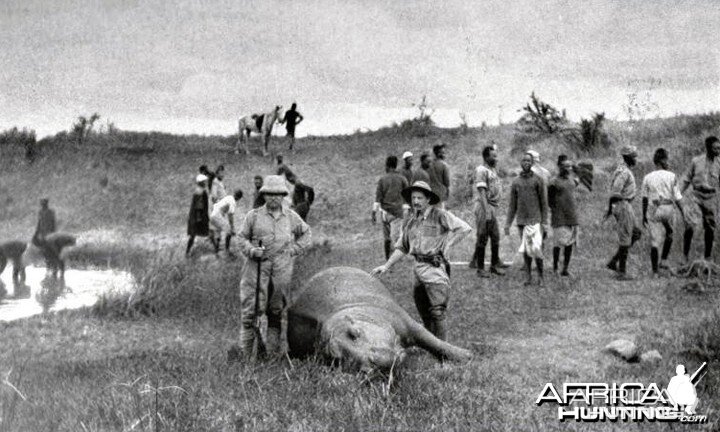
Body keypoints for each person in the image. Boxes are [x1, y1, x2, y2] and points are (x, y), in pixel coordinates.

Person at [371, 181, 471, 341]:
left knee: (438, 311)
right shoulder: (411, 221)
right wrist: (386, 265)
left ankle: (443, 354)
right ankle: (432, 346)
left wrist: (448, 245)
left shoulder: (439, 215)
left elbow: (464, 228)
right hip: (417, 269)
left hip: (434, 268)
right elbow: (402, 247)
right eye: (413, 198)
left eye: (420, 198)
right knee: (424, 311)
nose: (416, 201)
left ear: (428, 199)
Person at [237, 175, 311, 358]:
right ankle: (245, 357)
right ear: (264, 195)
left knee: (276, 311)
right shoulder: (253, 216)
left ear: (283, 195)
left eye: (278, 194)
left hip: (281, 269)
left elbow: (306, 233)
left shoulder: (291, 217)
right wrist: (252, 250)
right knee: (251, 313)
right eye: (270, 194)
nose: (274, 198)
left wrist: (293, 250)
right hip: (257, 268)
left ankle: (271, 356)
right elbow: (241, 238)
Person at [505, 153, 548, 286]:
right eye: (524, 160)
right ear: (520, 163)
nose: (526, 163)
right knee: (526, 249)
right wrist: (508, 223)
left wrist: (544, 222)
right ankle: (528, 276)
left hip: (535, 220)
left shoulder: (538, 180)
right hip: (522, 221)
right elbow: (512, 205)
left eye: (529, 161)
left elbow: (543, 202)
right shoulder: (516, 181)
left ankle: (541, 277)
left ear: (532, 163)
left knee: (536, 249)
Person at [641, 148, 684, 276]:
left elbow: (644, 198)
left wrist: (644, 215)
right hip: (668, 208)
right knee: (670, 233)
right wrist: (683, 213)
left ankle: (655, 272)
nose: (668, 163)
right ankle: (664, 260)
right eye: (667, 160)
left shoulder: (647, 177)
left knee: (655, 241)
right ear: (662, 160)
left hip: (654, 210)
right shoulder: (672, 176)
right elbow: (677, 197)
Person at [679, 136, 720, 262]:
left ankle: (707, 258)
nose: (718, 151)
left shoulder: (719, 162)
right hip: (696, 196)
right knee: (690, 225)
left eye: (719, 148)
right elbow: (686, 178)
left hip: (711, 198)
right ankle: (684, 256)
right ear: (708, 148)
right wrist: (678, 194)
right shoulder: (696, 161)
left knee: (710, 227)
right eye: (715, 148)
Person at [606, 145, 640, 281]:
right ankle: (621, 272)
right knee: (626, 238)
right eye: (634, 156)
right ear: (628, 157)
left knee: (636, 233)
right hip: (623, 205)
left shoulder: (623, 170)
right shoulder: (624, 172)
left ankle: (614, 261)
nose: (636, 159)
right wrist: (619, 204)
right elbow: (615, 192)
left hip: (624, 205)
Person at [472, 145, 505, 277]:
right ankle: (480, 269)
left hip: (492, 207)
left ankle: (493, 266)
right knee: (482, 236)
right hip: (484, 206)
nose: (496, 158)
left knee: (495, 236)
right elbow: (482, 191)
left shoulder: (492, 170)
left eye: (496, 155)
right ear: (486, 157)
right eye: (493, 156)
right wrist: (486, 211)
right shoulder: (481, 170)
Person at [548, 155, 581, 276]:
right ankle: (555, 268)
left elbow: (576, 182)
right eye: (565, 166)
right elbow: (549, 199)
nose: (568, 168)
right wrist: (556, 210)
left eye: (569, 166)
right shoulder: (553, 182)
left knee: (570, 243)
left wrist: (577, 171)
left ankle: (565, 269)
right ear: (559, 166)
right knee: (558, 243)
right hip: (559, 217)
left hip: (571, 216)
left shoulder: (572, 180)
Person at [373, 155, 409, 259]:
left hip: (384, 212)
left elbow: (378, 197)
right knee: (397, 236)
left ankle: (387, 257)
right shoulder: (402, 178)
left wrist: (373, 212)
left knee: (387, 237)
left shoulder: (382, 179)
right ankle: (397, 258)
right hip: (397, 212)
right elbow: (407, 195)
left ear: (387, 165)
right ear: (396, 165)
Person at [210, 189, 244, 256]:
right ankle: (227, 251)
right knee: (229, 232)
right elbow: (230, 215)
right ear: (239, 198)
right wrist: (232, 227)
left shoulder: (229, 197)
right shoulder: (233, 202)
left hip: (213, 214)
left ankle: (216, 251)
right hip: (217, 215)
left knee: (218, 232)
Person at [186, 175, 211, 257]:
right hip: (198, 218)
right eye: (205, 182)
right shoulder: (201, 192)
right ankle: (216, 251)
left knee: (193, 236)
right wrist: (200, 218)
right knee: (209, 232)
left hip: (194, 217)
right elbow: (199, 206)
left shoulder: (197, 191)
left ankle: (188, 251)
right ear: (202, 182)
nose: (206, 183)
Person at [428, 144, 451, 208]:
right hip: (440, 195)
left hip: (429, 194)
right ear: (438, 154)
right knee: (440, 213)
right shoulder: (444, 165)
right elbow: (447, 182)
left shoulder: (428, 165)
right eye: (443, 153)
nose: (445, 155)